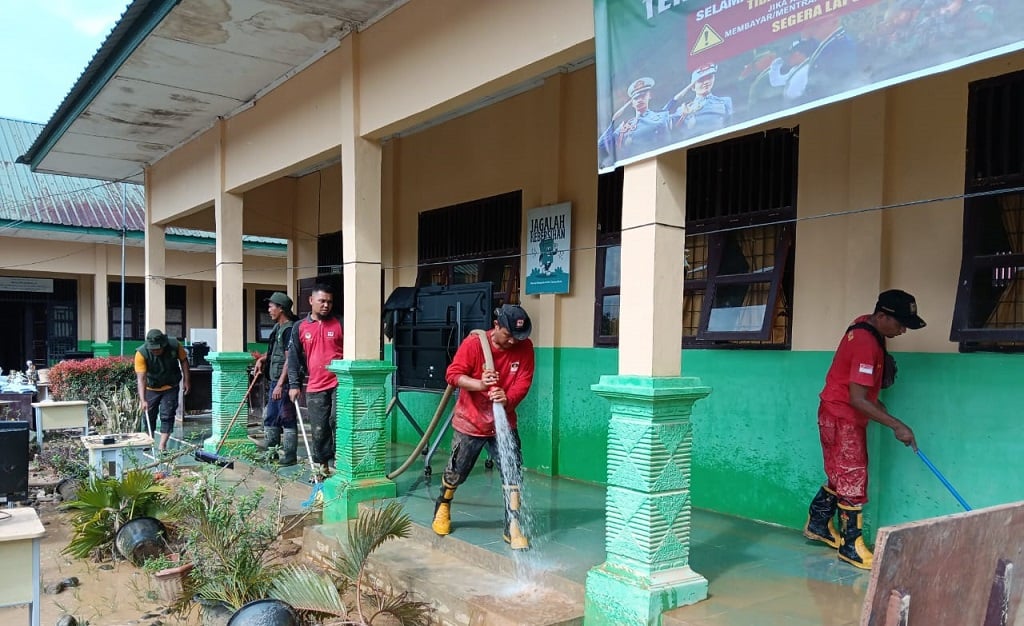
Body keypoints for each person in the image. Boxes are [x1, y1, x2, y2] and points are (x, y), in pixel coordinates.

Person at [803, 289, 924, 570]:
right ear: (881, 316)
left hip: (835, 410)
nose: (903, 330)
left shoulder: (865, 326)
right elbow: (857, 399)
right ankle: (851, 546)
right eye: (900, 323)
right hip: (842, 416)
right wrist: (898, 426)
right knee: (853, 477)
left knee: (840, 473)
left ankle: (818, 523)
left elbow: (860, 392)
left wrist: (880, 407)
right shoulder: (866, 345)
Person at [431, 304, 536, 550]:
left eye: (517, 337)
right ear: (496, 325)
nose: (512, 342)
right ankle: (443, 505)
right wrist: (479, 384)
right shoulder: (475, 344)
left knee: (512, 473)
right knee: (458, 470)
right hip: (472, 421)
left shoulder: (525, 347)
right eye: (508, 335)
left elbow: (524, 380)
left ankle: (513, 525)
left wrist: (507, 398)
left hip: (503, 421)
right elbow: (453, 375)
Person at [288, 284, 344, 473]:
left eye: (329, 301)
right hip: (315, 384)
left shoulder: (340, 323)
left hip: (339, 383)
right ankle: (323, 467)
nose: (326, 305)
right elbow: (294, 357)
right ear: (311, 301)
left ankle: (340, 460)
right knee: (319, 428)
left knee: (337, 420)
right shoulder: (300, 327)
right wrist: (294, 385)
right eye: (322, 301)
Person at [253, 292, 299, 466]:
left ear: (281, 309)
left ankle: (289, 455)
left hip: (285, 383)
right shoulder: (277, 328)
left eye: (272, 306)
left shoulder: (289, 329)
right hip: (275, 380)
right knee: (271, 417)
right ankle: (272, 453)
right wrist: (261, 359)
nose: (269, 309)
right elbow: (275, 352)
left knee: (286, 418)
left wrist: (280, 384)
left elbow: (290, 358)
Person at [598, 77, 680, 166]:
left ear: (650, 95)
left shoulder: (661, 116)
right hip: (632, 167)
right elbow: (601, 144)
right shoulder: (625, 126)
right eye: (636, 98)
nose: (639, 100)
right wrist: (613, 123)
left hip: (658, 162)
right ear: (631, 103)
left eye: (643, 95)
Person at [135, 328, 190, 452]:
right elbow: (141, 378)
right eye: (152, 349)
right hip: (151, 387)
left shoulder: (174, 345)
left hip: (171, 386)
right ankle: (149, 440)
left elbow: (184, 362)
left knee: (167, 415)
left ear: (164, 344)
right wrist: (143, 399)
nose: (155, 351)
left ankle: (162, 445)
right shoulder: (141, 353)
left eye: (158, 348)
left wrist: (187, 381)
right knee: (149, 415)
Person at [676, 64, 734, 138]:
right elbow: (675, 132)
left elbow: (730, 126)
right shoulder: (682, 109)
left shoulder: (725, 101)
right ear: (693, 86)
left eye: (709, 77)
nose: (706, 82)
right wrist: (684, 115)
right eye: (701, 80)